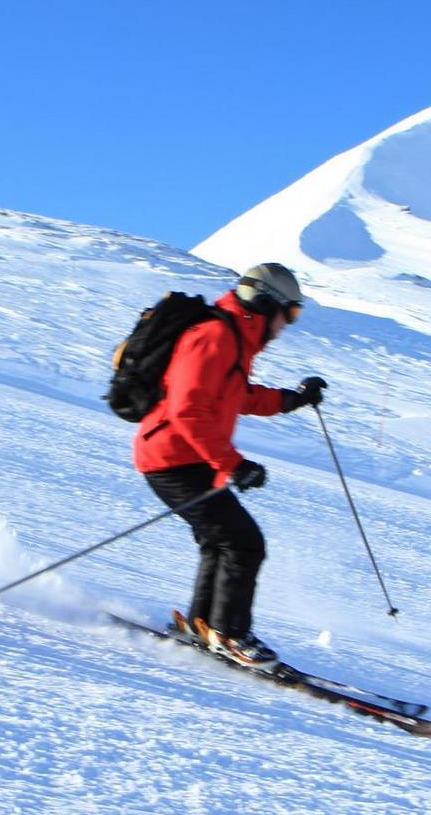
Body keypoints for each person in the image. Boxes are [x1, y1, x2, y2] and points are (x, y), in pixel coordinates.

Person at [134, 263, 327, 669]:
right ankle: (230, 634)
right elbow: (188, 411)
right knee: (243, 543)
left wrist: (291, 399)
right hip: (172, 459)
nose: (287, 325)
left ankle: (204, 625)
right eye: (290, 314)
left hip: (189, 457)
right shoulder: (215, 336)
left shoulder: (235, 340)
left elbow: (237, 396)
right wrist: (233, 464)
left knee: (220, 541)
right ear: (266, 304)